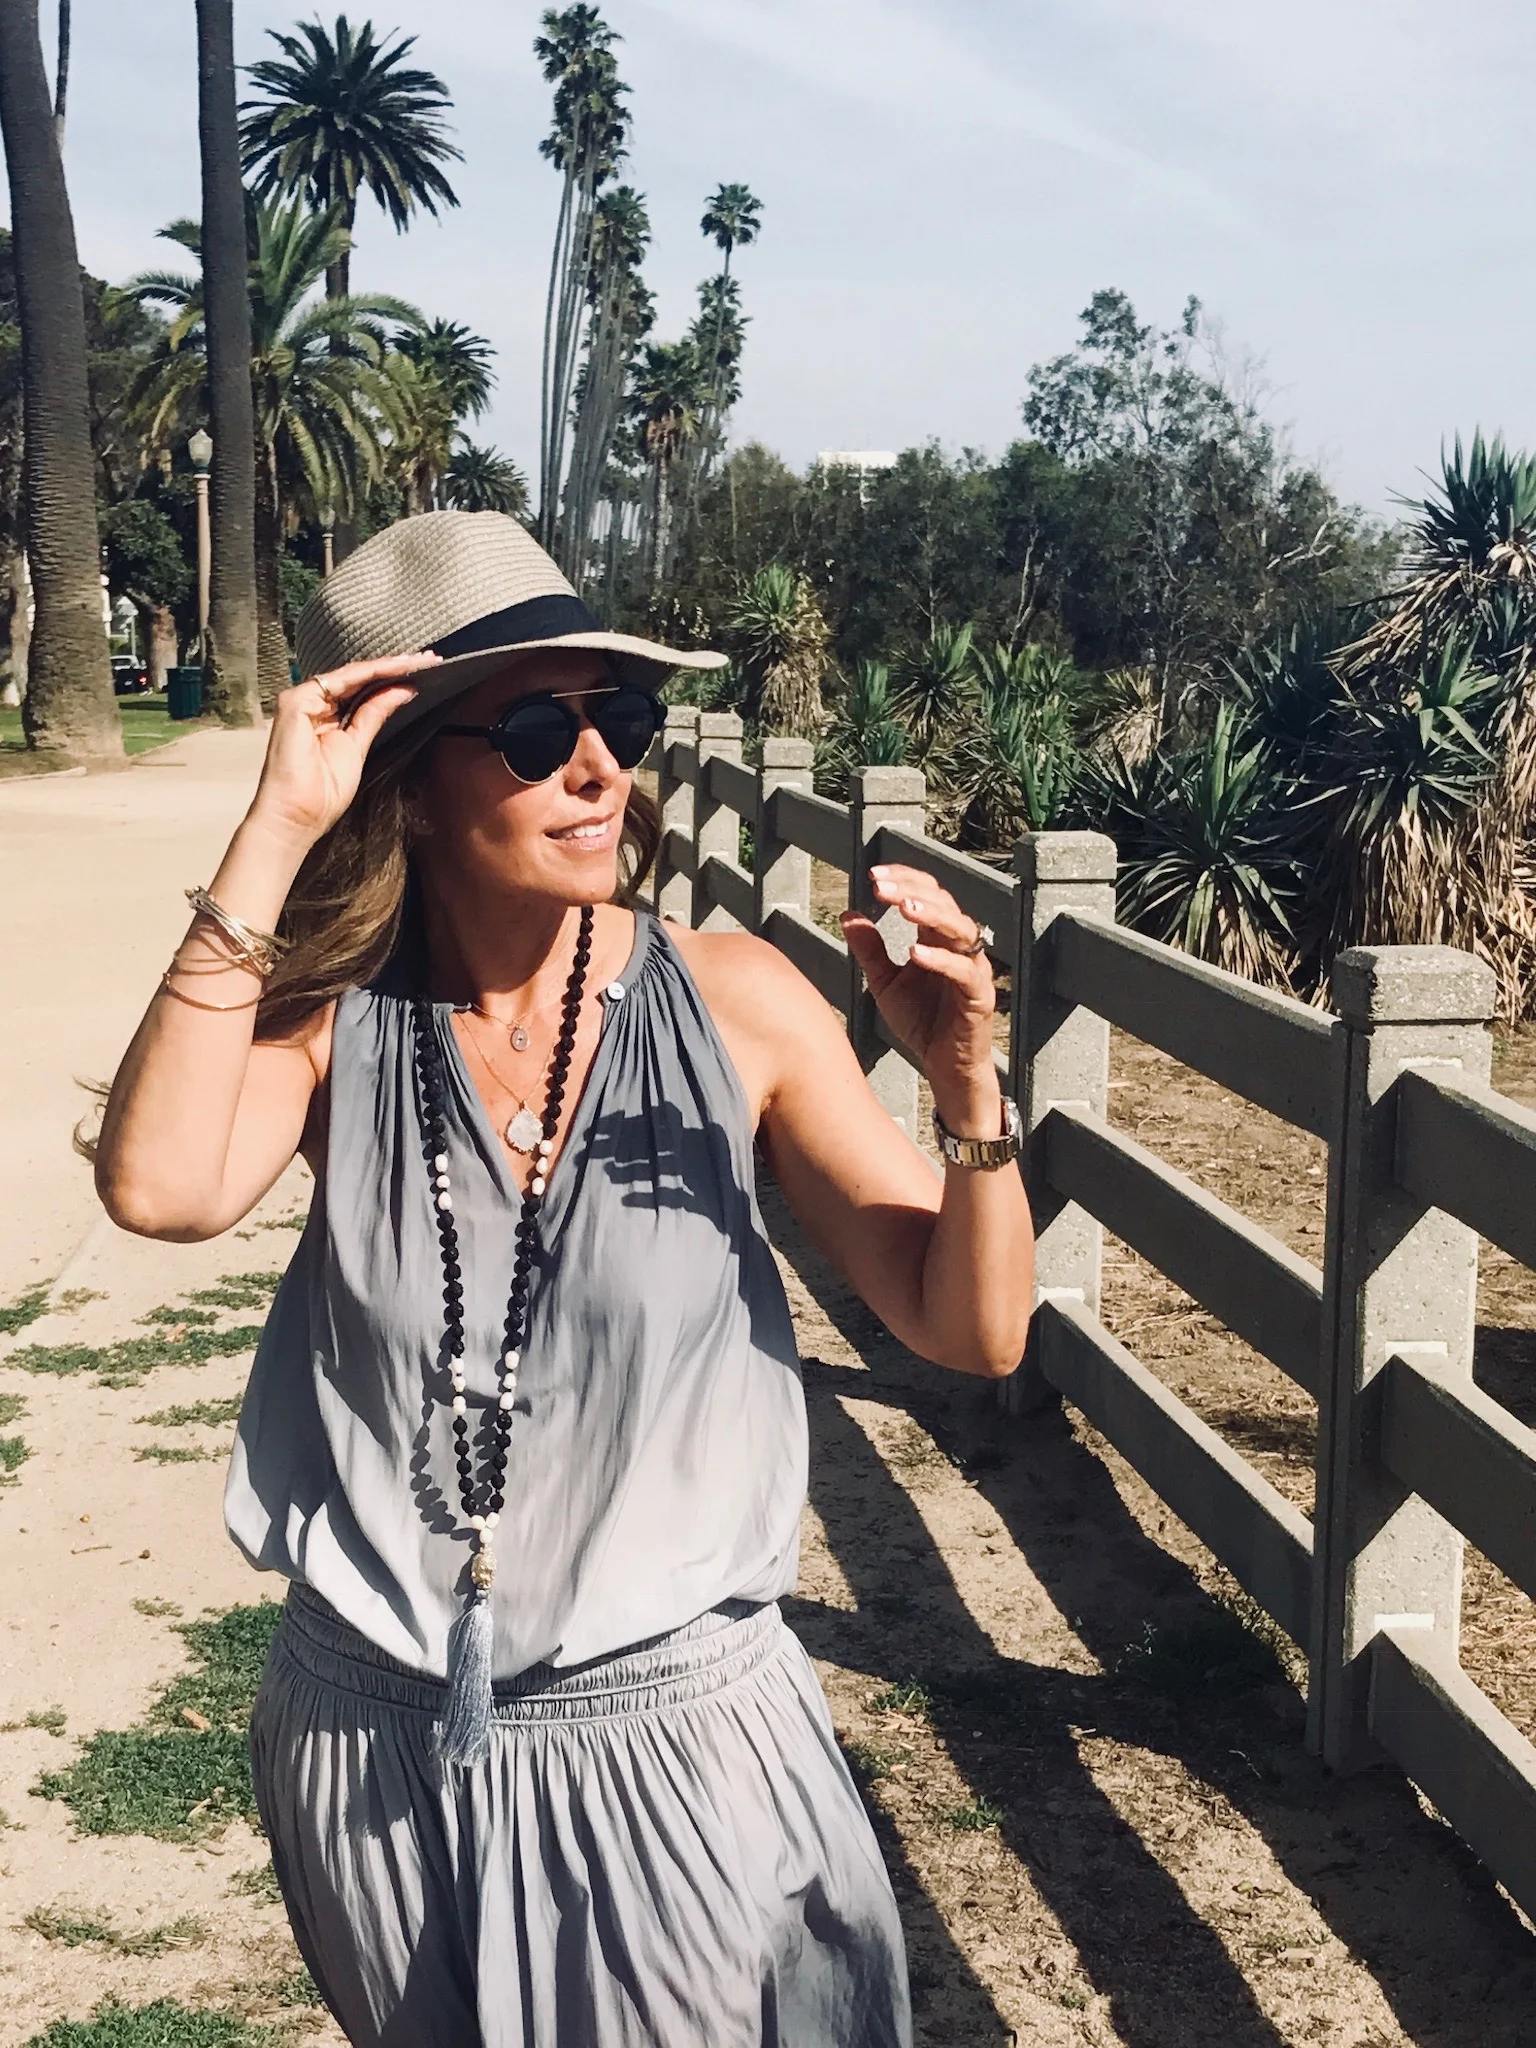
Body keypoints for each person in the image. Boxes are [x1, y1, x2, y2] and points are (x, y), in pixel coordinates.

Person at [94, 511, 1034, 2048]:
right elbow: (158, 1187)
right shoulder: (338, 1031)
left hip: (674, 1751)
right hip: (373, 1752)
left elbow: (971, 1327)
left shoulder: (736, 1003)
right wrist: (273, 829)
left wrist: (969, 1090)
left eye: (621, 719)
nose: (599, 767)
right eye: (537, 732)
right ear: (402, 782)